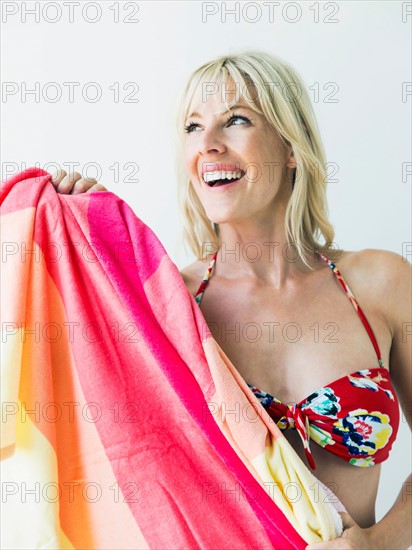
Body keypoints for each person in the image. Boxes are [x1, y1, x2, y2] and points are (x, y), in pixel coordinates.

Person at [49, 50, 411, 549]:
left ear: (290, 145)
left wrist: (379, 542)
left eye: (235, 121)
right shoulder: (172, 308)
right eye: (193, 128)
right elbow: (100, 442)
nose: (208, 146)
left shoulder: (382, 283)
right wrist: (81, 227)